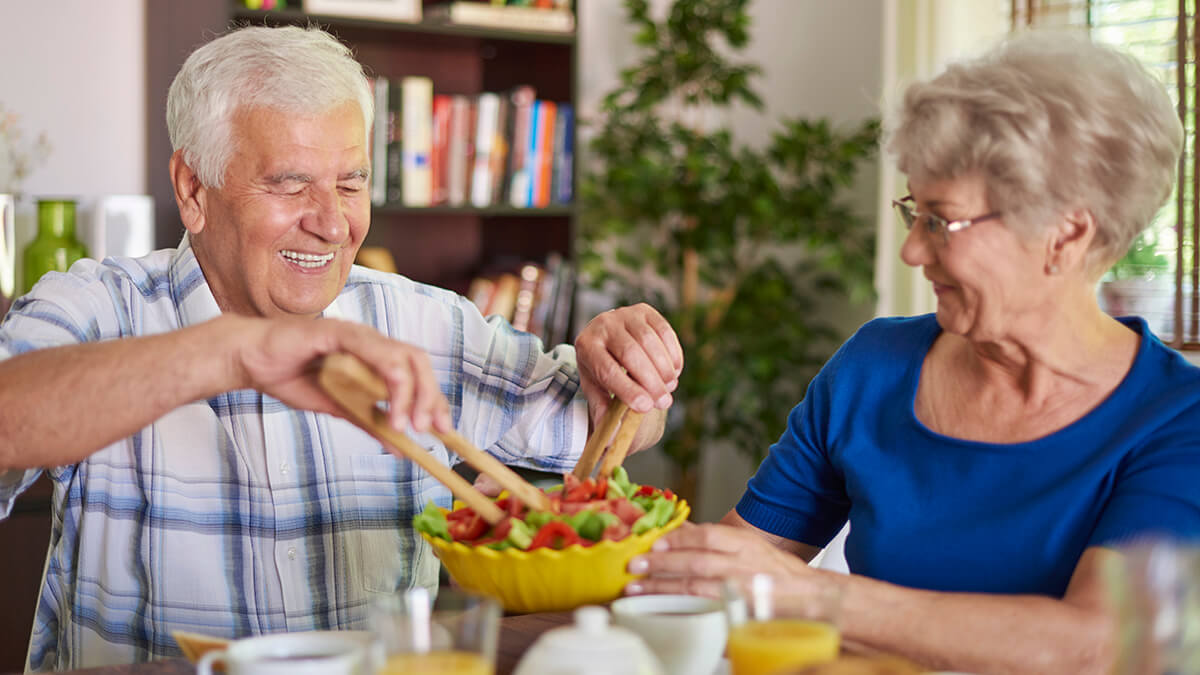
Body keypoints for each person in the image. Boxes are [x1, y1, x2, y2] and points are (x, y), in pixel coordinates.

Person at [0, 26, 683, 671]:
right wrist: (231, 352)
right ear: (191, 189)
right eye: (289, 183)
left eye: (351, 183)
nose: (331, 223)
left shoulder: (422, 321)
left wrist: (627, 370)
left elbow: (615, 426)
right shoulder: (97, 306)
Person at [628, 31, 1200, 673]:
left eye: (940, 220)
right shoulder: (874, 367)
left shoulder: (1178, 418)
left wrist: (818, 596)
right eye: (914, 212)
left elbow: (1096, 647)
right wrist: (587, 506)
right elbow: (730, 566)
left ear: (1064, 235)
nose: (912, 252)